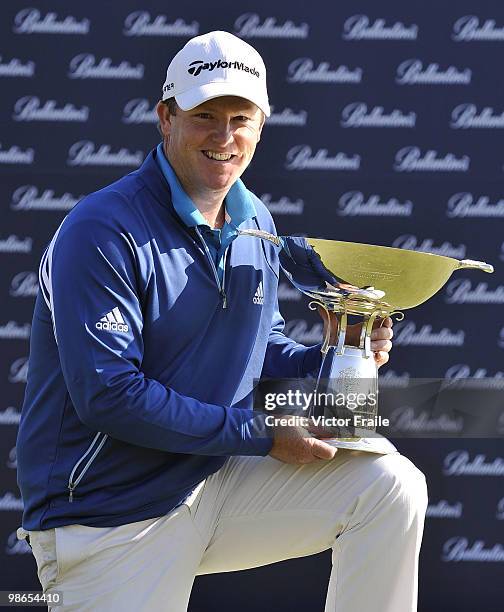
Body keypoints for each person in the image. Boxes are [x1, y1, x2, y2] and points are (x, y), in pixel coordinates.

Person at [16, 31, 426, 611]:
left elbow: (262, 346)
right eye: (204, 115)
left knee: (390, 487)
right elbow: (108, 396)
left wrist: (336, 356)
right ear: (166, 117)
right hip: (107, 514)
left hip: (213, 480)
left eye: (241, 117)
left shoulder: (252, 215)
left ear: (261, 126)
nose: (224, 135)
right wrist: (262, 435)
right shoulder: (102, 229)